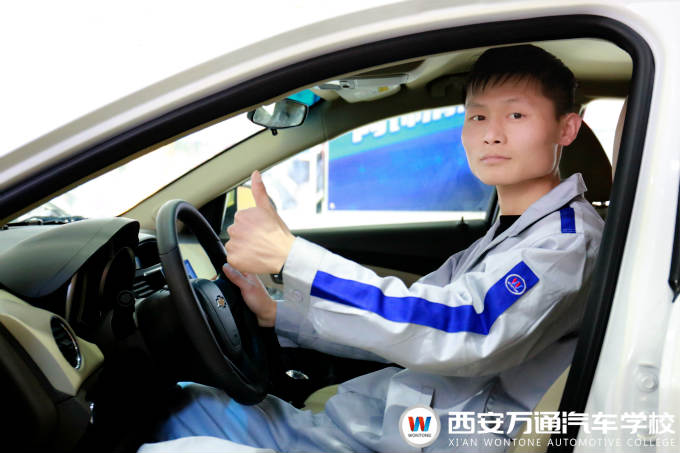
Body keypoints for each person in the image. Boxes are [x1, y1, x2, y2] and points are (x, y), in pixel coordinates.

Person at [140, 44, 604, 452]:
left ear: (566, 129)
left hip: (424, 439)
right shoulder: (510, 232)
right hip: (383, 424)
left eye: (516, 115)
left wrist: (290, 256)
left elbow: (462, 328)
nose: (491, 133)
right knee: (188, 406)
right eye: (478, 116)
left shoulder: (566, 243)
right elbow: (408, 320)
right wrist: (278, 314)